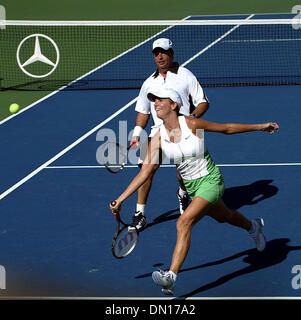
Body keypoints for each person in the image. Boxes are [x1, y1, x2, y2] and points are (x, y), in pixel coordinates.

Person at [110, 87, 279, 296]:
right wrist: (121, 199)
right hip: (192, 188)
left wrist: (260, 126)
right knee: (224, 216)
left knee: (183, 222)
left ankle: (170, 276)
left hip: (211, 181)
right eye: (154, 101)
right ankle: (253, 227)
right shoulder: (159, 138)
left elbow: (226, 128)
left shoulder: (191, 124)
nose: (155, 104)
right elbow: (145, 173)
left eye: (160, 100)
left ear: (174, 104)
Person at [129, 37, 210, 232]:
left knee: (183, 174)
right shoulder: (148, 83)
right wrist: (137, 133)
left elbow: (203, 102)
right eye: (156, 53)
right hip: (158, 133)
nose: (160, 56)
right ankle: (140, 213)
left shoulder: (186, 75)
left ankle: (183, 193)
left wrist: (192, 118)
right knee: (147, 170)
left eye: (164, 52)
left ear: (171, 54)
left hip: (183, 129)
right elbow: (143, 111)